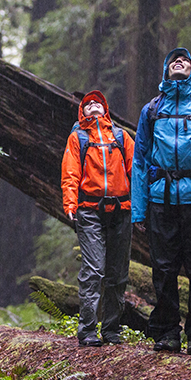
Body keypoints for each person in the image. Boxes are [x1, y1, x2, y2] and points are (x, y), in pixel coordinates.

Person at [131, 48, 191, 355]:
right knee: (163, 268)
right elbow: (140, 161)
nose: (179, 62)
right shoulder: (151, 110)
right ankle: (169, 332)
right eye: (174, 60)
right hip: (161, 200)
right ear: (166, 70)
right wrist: (138, 208)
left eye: (185, 60)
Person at [62, 90, 135, 347]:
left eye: (98, 103)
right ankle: (88, 329)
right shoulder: (78, 138)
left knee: (118, 272)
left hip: (121, 211)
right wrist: (70, 202)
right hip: (89, 210)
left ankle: (112, 330)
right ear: (82, 112)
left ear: (105, 111)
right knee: (93, 270)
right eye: (88, 104)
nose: (93, 106)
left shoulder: (121, 137)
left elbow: (134, 171)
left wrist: (140, 206)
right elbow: (70, 173)